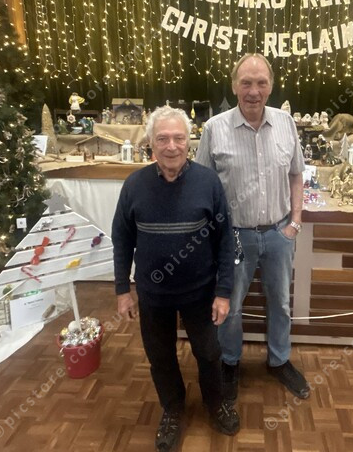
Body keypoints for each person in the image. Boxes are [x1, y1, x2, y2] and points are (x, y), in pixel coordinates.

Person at [112, 106, 240, 452]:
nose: (171, 146)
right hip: (153, 294)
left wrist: (223, 292)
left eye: (178, 138)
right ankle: (172, 408)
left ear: (189, 141)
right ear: (150, 144)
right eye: (163, 139)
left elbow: (225, 240)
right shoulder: (134, 185)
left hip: (201, 292)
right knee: (160, 356)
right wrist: (123, 290)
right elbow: (122, 239)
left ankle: (215, 403)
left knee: (209, 352)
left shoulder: (208, 182)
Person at [196, 53, 310, 402]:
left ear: (271, 86)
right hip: (233, 238)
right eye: (246, 83)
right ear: (234, 86)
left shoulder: (286, 124)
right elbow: (201, 186)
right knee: (230, 307)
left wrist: (295, 222)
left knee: (281, 304)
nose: (253, 91)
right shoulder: (214, 129)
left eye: (261, 83)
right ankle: (230, 362)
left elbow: (296, 174)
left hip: (279, 234)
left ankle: (279, 360)